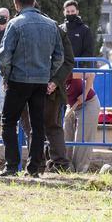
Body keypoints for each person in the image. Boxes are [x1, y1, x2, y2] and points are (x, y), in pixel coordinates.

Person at [0, 0, 64, 178]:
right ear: (34, 2)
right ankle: (34, 167)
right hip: (41, 81)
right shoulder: (51, 24)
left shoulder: (15, 24)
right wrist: (48, 75)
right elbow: (59, 57)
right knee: (38, 125)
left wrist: (6, 77)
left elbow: (4, 56)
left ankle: (11, 165)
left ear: (16, 4)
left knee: (8, 122)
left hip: (18, 79)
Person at [43, 27, 76, 172]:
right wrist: (55, 81)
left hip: (32, 84)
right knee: (53, 126)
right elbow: (68, 60)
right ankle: (58, 163)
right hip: (52, 87)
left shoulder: (18, 24)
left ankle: (39, 163)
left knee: (35, 127)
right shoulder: (56, 29)